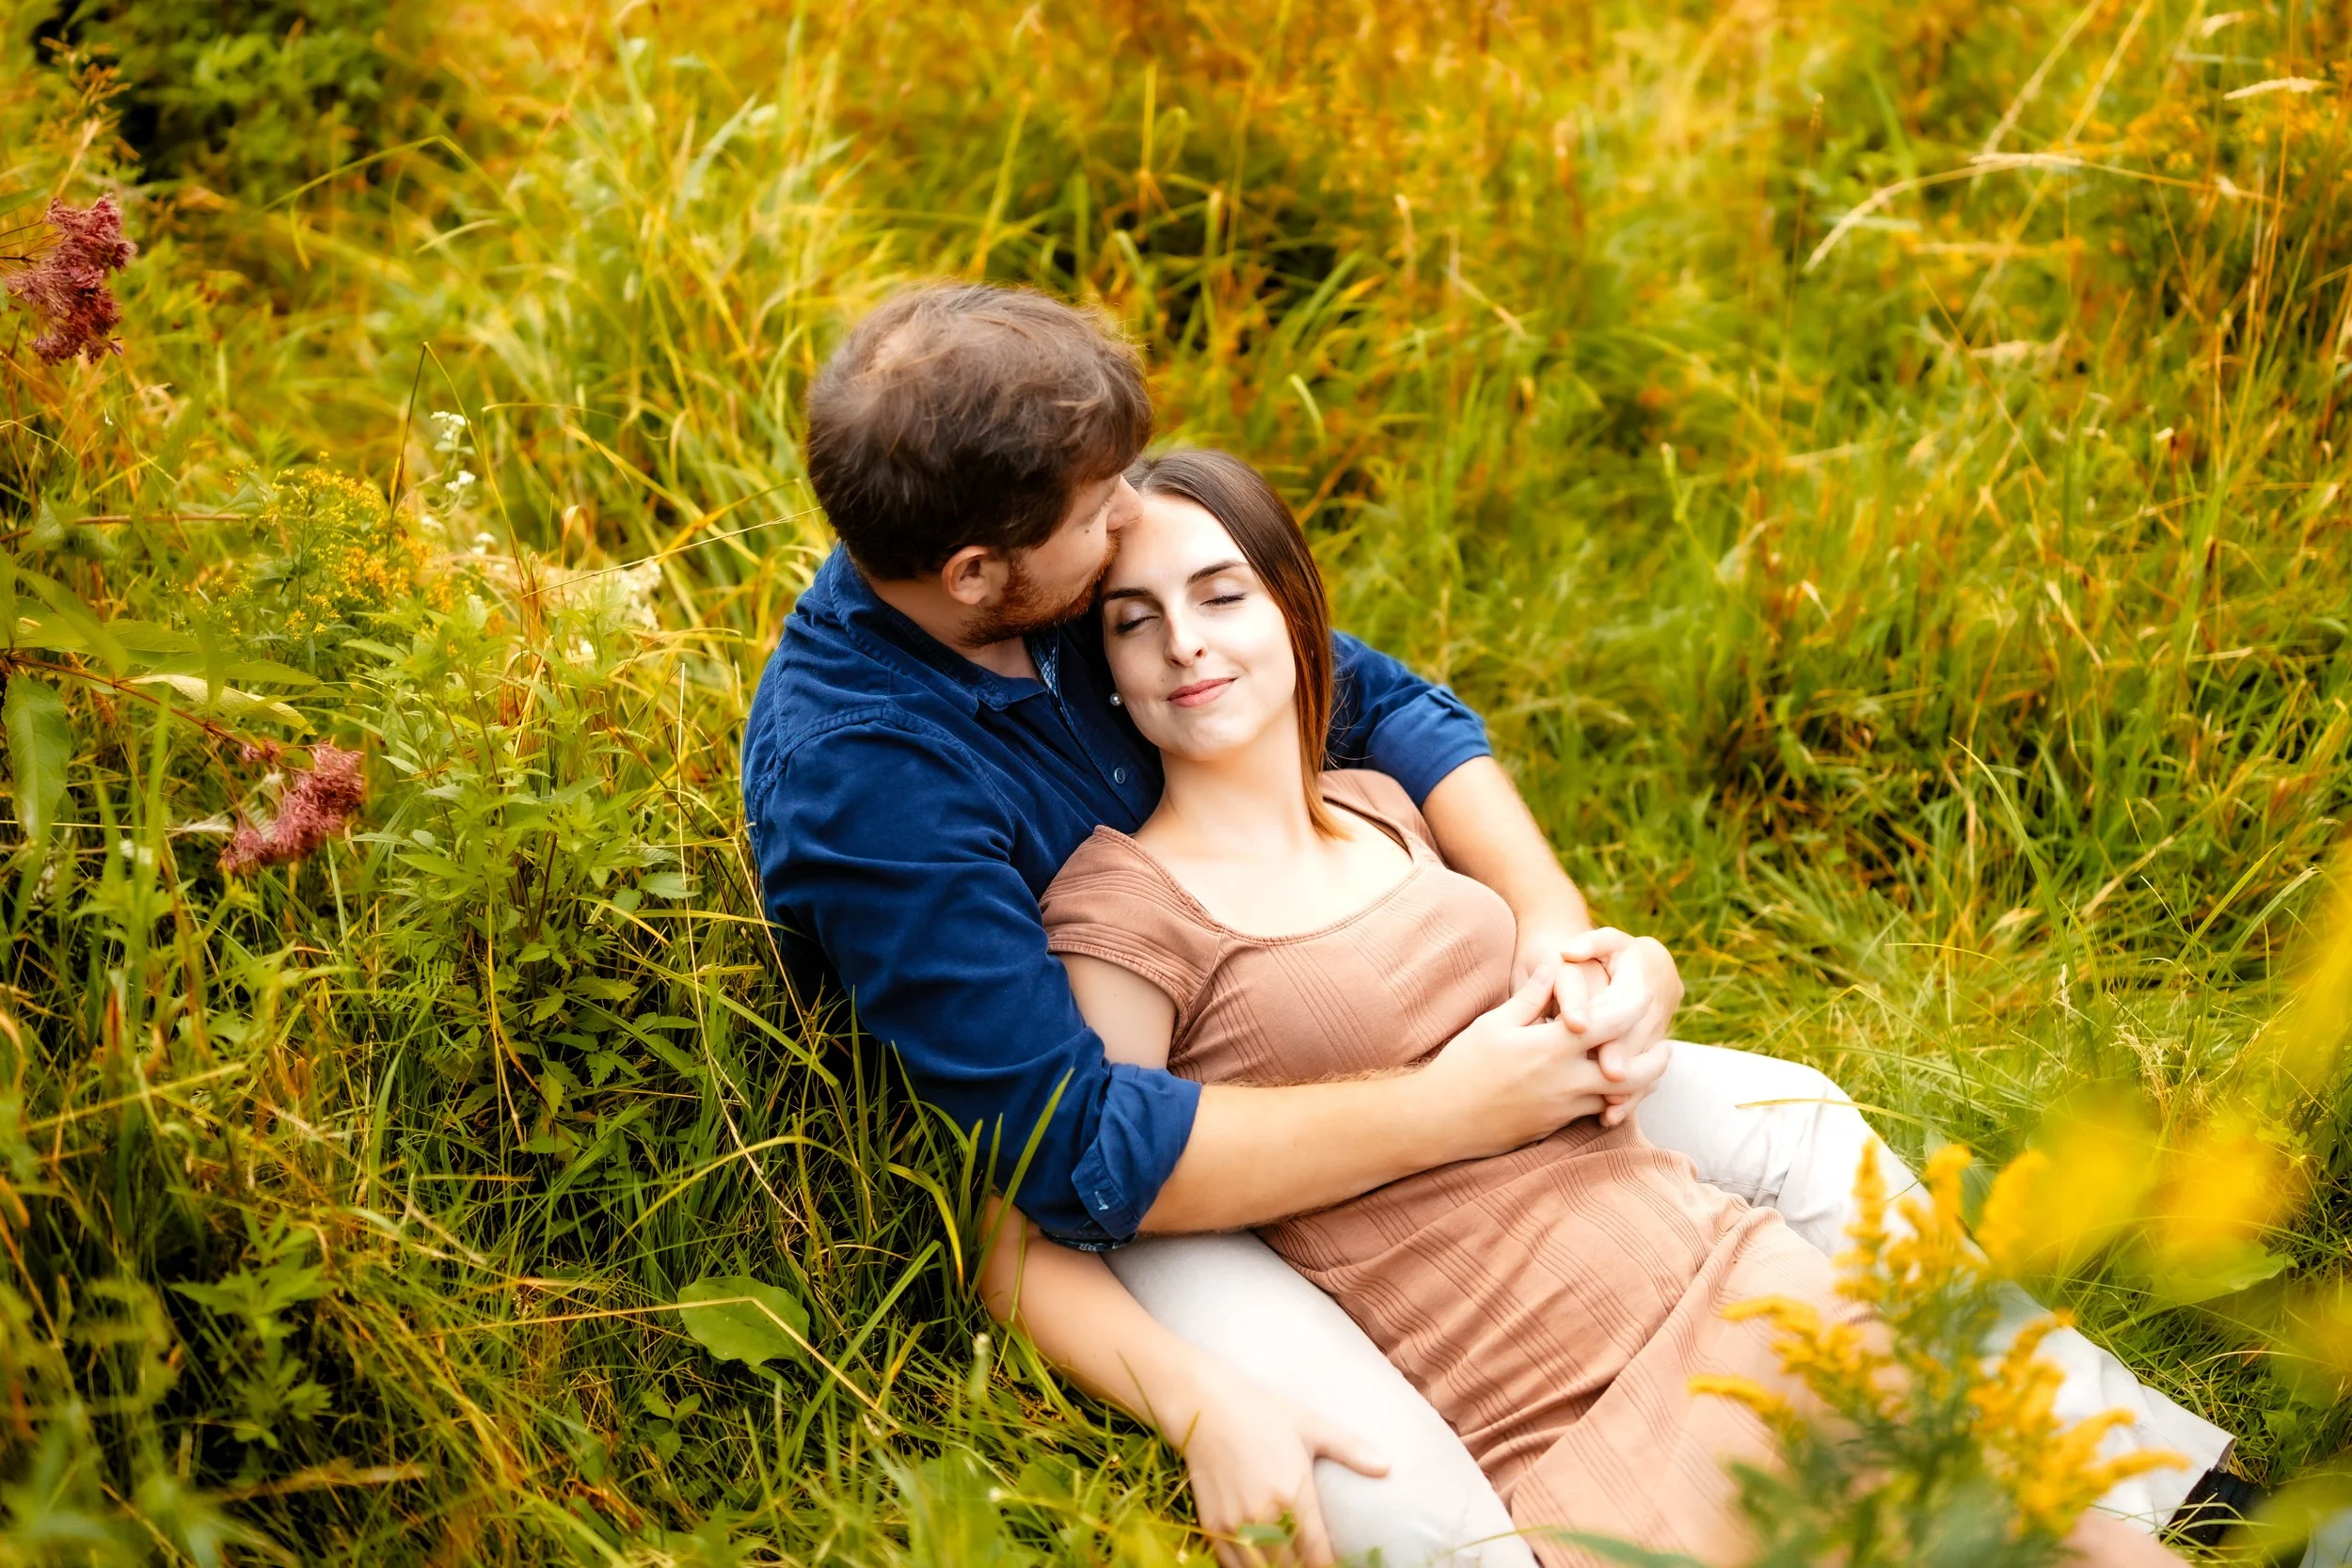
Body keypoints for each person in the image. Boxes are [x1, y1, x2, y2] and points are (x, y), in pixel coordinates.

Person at [739, 283, 2231, 1563]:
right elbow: (1075, 1160)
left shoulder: (1055, 559)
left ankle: (2128, 1490)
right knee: (1382, 1474)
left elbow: (1364, 692)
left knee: (1790, 1112)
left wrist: (1556, 928)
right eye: (1106, 528)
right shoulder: (873, 783)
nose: (1139, 529)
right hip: (1169, 1154)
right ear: (978, 576)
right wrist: (1459, 1109)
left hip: (1366, 1002)